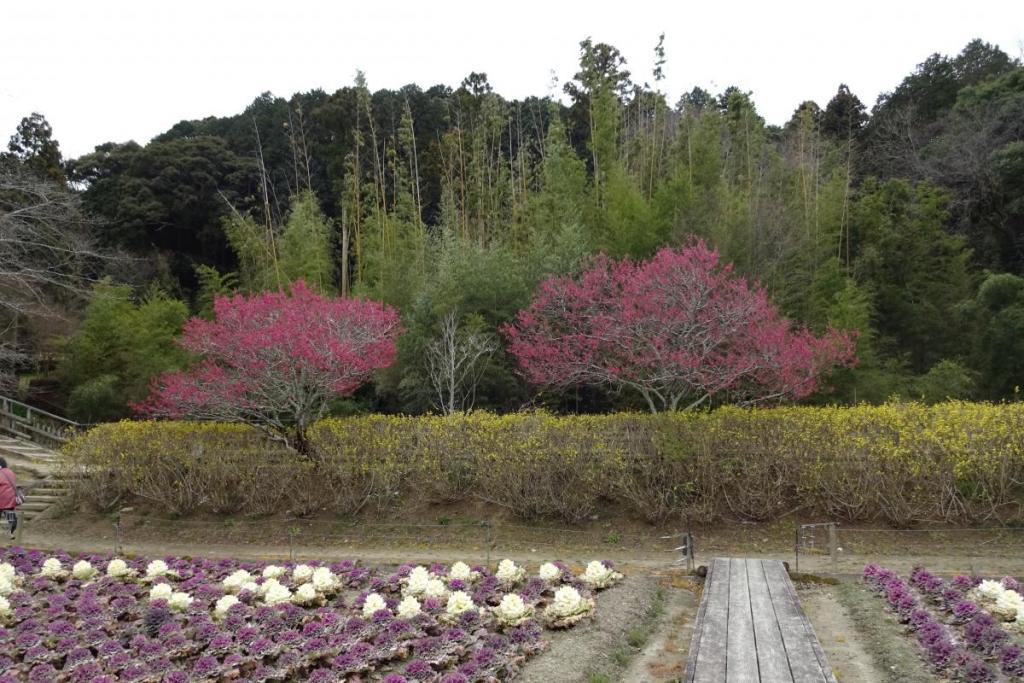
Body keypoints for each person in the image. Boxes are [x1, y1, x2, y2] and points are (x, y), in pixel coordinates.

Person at [0, 456, 17, 539]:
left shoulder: (0, 473)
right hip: (11, 498)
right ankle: (10, 533)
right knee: (11, 516)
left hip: (2, 498)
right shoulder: (11, 472)